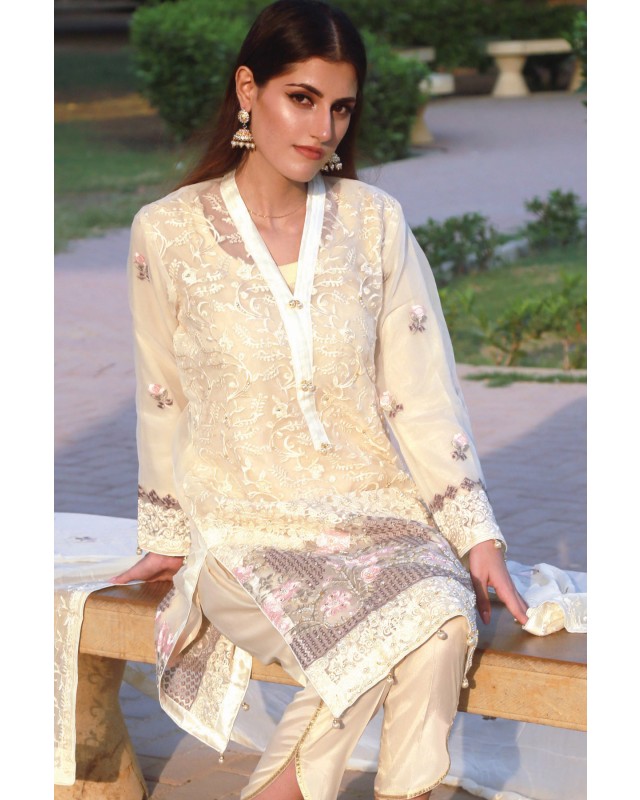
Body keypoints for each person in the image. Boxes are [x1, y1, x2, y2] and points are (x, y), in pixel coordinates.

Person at [113, 2, 528, 798]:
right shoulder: (167, 232)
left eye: (340, 107)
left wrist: (476, 537)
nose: (323, 128)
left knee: (443, 619)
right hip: (244, 526)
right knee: (395, 632)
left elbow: (422, 393)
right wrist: (166, 535)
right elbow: (160, 394)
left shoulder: (374, 222)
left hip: (379, 518)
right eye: (301, 99)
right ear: (248, 90)